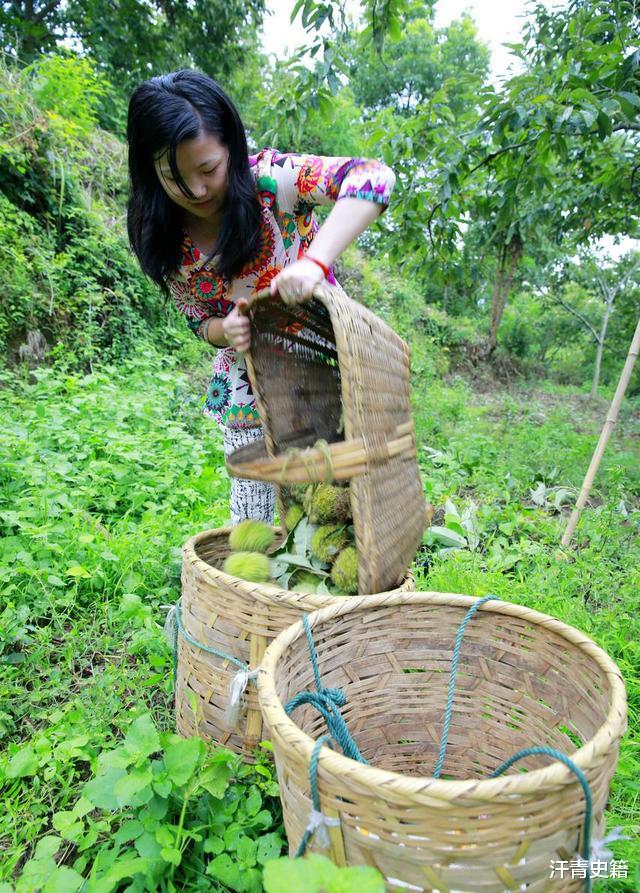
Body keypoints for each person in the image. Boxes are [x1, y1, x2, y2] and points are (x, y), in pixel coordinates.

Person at [126, 69, 395, 525]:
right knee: (255, 516)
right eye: (174, 178)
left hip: (325, 362)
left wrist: (316, 263)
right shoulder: (162, 232)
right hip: (249, 384)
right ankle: (249, 594)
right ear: (150, 172)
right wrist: (223, 330)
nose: (196, 190)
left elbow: (374, 177)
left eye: (207, 168)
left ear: (231, 147)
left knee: (334, 505)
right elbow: (198, 319)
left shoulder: (274, 181)